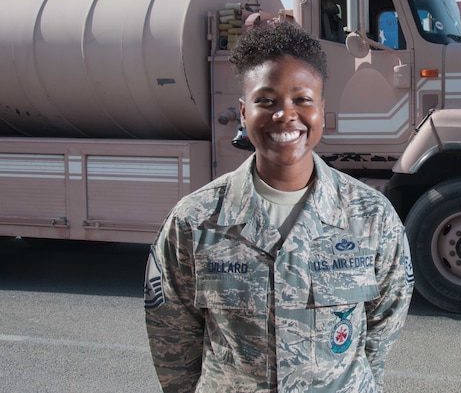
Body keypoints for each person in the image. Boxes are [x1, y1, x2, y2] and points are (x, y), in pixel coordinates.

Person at [144, 20, 414, 393]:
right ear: (242, 112)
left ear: (320, 108)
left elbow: (382, 327)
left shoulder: (371, 217)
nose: (285, 114)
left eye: (301, 99)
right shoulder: (195, 221)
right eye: (266, 101)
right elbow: (172, 337)